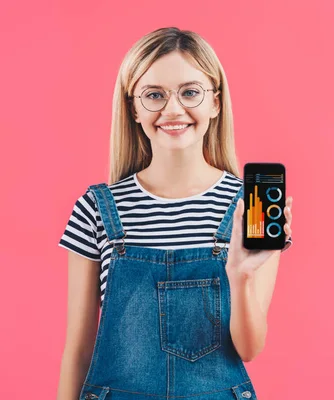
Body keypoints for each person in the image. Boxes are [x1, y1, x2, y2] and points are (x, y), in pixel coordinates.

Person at [56, 27, 293, 400]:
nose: (173, 109)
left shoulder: (248, 207)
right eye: (154, 95)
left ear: (215, 102)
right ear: (133, 107)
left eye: (190, 92)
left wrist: (241, 274)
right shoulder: (97, 209)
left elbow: (249, 348)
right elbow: (79, 351)